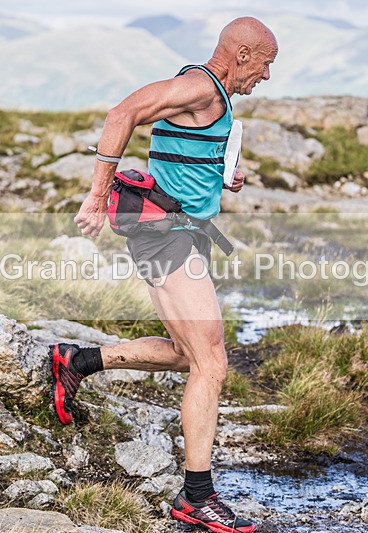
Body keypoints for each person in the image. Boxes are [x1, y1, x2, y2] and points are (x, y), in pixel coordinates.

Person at [49, 16, 277, 533]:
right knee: (212, 363)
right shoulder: (200, 86)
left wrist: (222, 173)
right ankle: (196, 496)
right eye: (266, 64)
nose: (266, 76)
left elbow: (179, 150)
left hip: (181, 232)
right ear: (242, 54)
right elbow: (123, 112)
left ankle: (77, 361)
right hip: (166, 235)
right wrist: (98, 195)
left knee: (186, 354)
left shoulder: (212, 94)